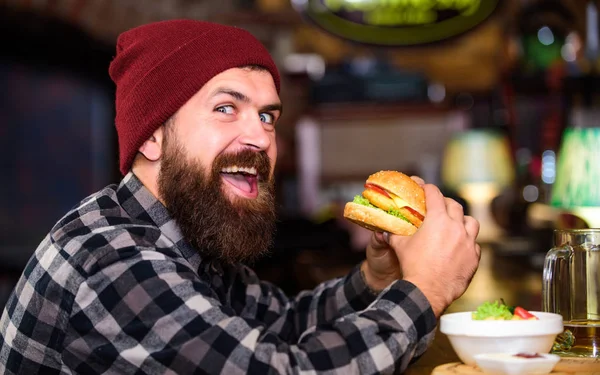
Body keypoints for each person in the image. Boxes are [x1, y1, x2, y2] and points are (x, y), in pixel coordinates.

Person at [0, 19, 481, 374]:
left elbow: (286, 327)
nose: (260, 137)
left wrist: (379, 278)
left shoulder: (184, 232)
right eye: (226, 108)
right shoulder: (114, 261)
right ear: (151, 138)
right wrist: (425, 291)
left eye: (267, 116)